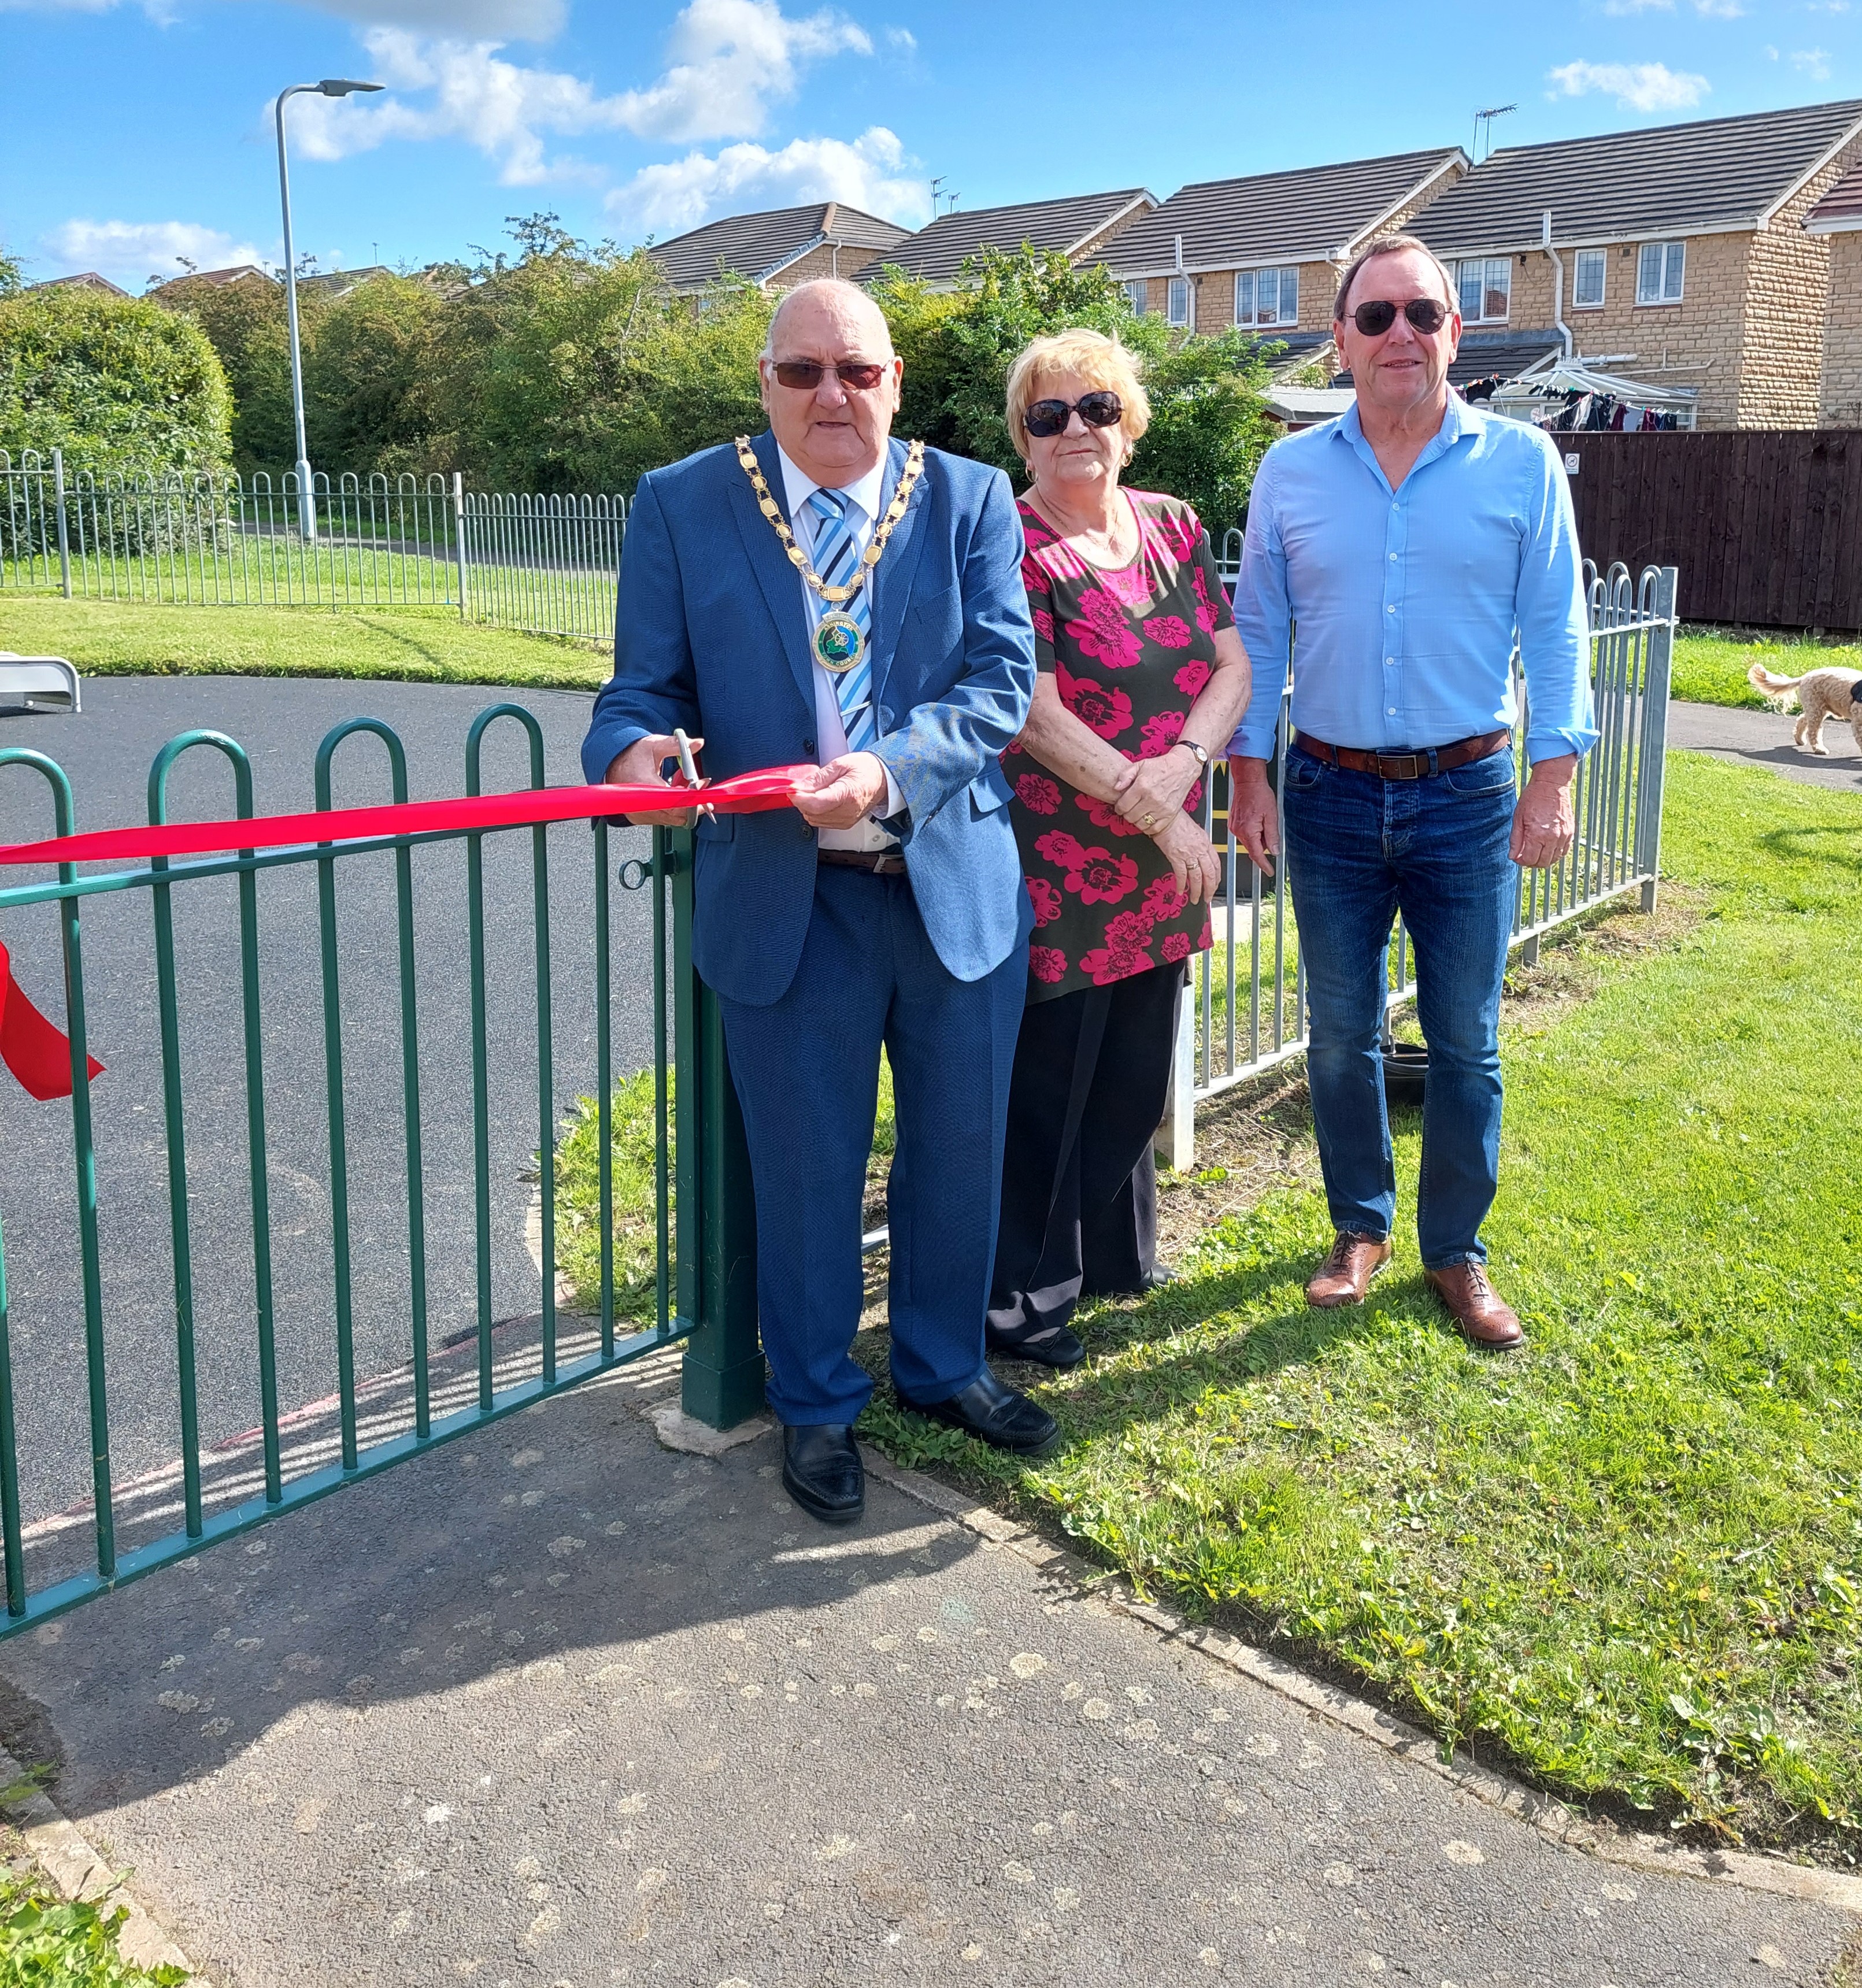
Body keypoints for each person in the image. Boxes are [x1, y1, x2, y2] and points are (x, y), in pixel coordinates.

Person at [582, 278, 1056, 1527]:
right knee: (805, 1172)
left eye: (856, 371)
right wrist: (629, 753)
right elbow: (637, 691)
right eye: (803, 373)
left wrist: (893, 769)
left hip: (946, 878)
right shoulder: (684, 503)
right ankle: (815, 1400)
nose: (831, 395)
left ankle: (944, 1366)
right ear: (766, 382)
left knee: (961, 1149)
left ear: (896, 381)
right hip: (790, 902)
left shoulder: (967, 498)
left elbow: (1004, 680)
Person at [1226, 233, 1596, 1352]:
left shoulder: (1523, 461)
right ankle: (1359, 1228)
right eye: (1375, 316)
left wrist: (1554, 776)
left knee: (1467, 1039)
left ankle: (1456, 1250)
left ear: (1456, 332)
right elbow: (1257, 629)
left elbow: (1559, 625)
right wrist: (1248, 766)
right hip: (1329, 791)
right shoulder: (1288, 472)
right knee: (1339, 1034)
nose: (1400, 335)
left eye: (1421, 315)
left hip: (1470, 791)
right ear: (1338, 339)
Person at [987, 330, 1257, 1369]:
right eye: (1047, 416)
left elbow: (1230, 664)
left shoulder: (1174, 526)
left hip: (1163, 850)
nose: (1074, 431)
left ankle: (1113, 1259)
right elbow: (1032, 716)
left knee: (1136, 1071)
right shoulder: (1011, 544)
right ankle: (1020, 1297)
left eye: (1095, 408)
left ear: (1128, 425)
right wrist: (1163, 809)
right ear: (1023, 438)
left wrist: (1186, 763)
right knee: (1050, 1083)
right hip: (1060, 860)